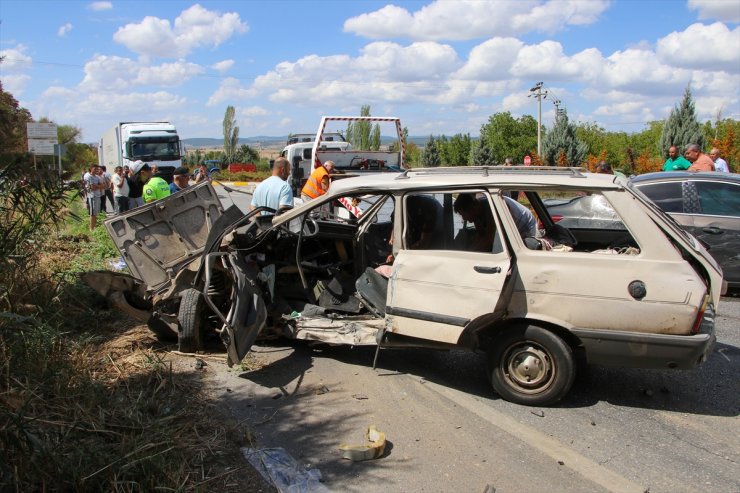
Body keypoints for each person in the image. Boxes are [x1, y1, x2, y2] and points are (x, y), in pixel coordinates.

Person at [83, 164, 104, 230]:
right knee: (92, 213)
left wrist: (97, 186)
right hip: (92, 196)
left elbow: (103, 185)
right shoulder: (89, 177)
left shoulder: (97, 177)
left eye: (97, 169)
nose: (96, 170)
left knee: (96, 213)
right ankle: (91, 228)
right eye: (95, 169)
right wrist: (98, 186)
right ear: (91, 169)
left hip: (98, 196)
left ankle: (95, 227)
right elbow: (92, 187)